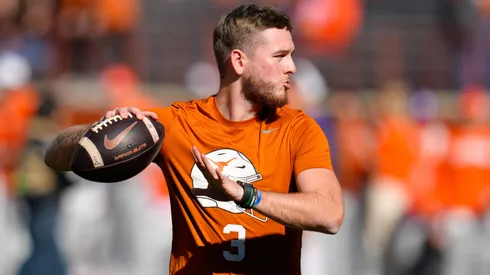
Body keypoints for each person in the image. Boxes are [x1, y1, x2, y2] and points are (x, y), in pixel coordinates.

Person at [44, 4, 344, 275]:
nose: (291, 67)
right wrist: (99, 132)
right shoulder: (177, 124)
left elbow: (329, 215)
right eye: (280, 56)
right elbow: (54, 155)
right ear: (239, 62)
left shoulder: (299, 129)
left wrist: (246, 195)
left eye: (291, 55)